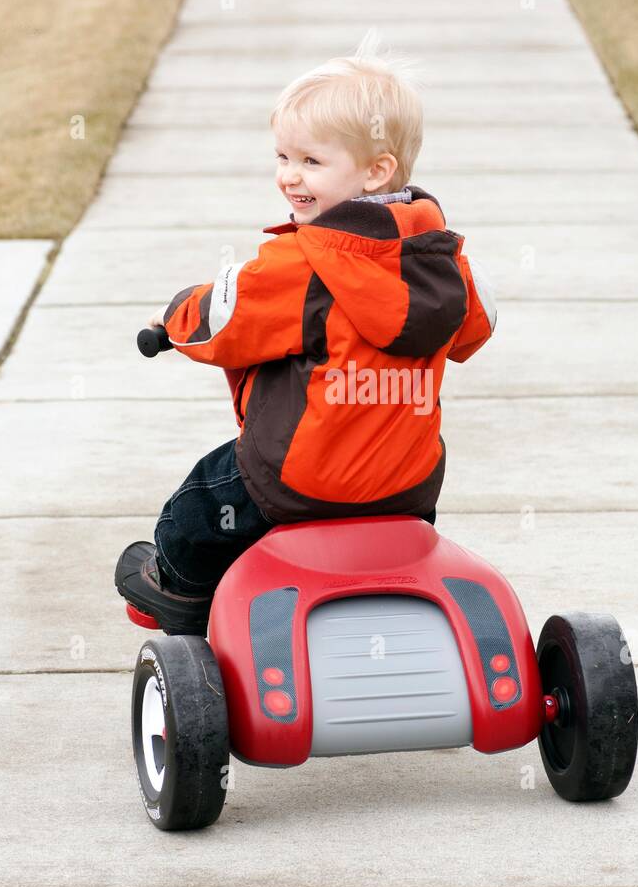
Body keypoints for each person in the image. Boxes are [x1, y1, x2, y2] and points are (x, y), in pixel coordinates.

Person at [115, 31, 497, 634]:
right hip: (407, 488)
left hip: (296, 483)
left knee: (199, 508)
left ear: (376, 171)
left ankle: (178, 590)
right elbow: (476, 329)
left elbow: (225, 321)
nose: (289, 177)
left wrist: (174, 317)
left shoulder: (307, 263)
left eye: (311, 162)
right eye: (283, 158)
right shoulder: (443, 261)